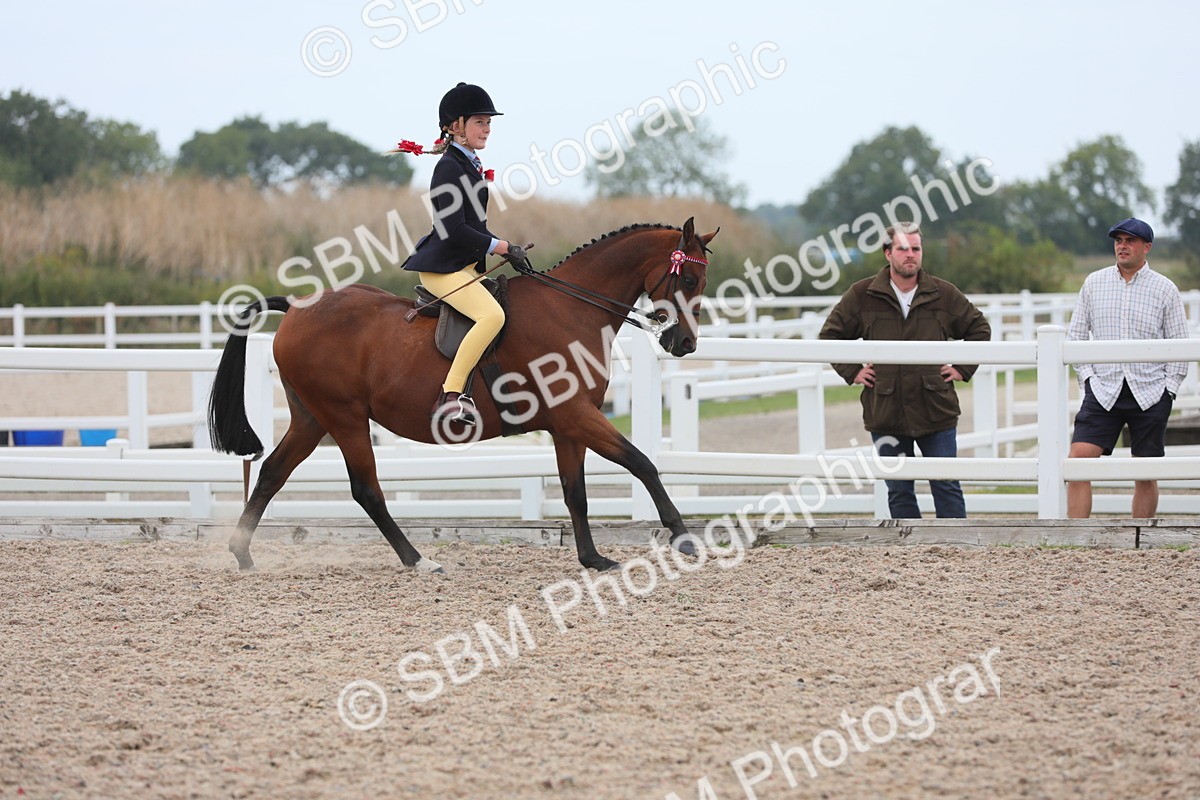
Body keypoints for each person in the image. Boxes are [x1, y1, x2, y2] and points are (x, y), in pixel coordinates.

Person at [819, 222, 991, 518]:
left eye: (916, 248)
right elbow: (830, 336)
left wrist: (962, 368)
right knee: (899, 490)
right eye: (902, 249)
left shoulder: (943, 293)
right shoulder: (862, 294)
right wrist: (853, 371)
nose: (910, 254)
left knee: (946, 484)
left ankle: (958, 551)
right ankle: (907, 555)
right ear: (888, 253)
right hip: (886, 409)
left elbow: (979, 329)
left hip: (936, 408)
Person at [395, 82, 524, 427]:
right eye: (480, 122)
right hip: (443, 268)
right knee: (491, 317)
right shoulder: (449, 168)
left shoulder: (469, 164)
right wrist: (501, 246)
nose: (487, 129)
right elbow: (453, 228)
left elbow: (475, 226)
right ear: (456, 126)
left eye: (489, 123)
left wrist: (504, 246)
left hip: (463, 264)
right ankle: (451, 396)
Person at [1066, 218, 1189, 518]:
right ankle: (1077, 539)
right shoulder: (1094, 283)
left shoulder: (1165, 289)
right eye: (1118, 240)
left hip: (1149, 392)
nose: (1122, 246)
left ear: (1146, 247)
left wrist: (1168, 393)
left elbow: (1180, 346)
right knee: (1077, 462)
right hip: (1104, 389)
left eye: (1130, 240)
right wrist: (1088, 381)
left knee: (1145, 471)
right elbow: (1075, 337)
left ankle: (1139, 541)